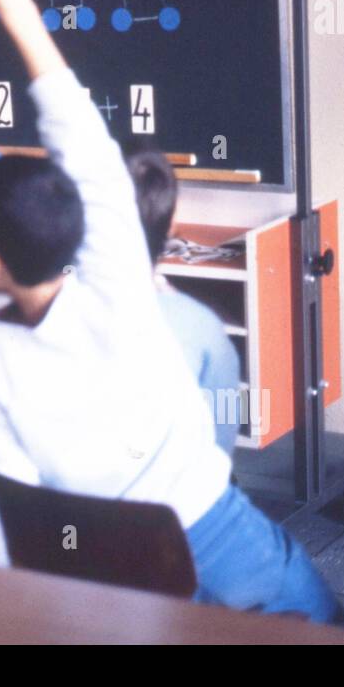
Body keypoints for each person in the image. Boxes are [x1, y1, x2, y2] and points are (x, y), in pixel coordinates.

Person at [0, 0, 344, 622]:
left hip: (96, 564)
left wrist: (19, 605)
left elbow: (2, 498)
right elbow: (94, 158)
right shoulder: (121, 291)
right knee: (328, 626)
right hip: (210, 531)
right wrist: (19, 14)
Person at [125, 139, 243, 457]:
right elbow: (223, 442)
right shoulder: (204, 329)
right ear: (172, 222)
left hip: (58, 502)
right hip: (171, 500)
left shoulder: (30, 319)